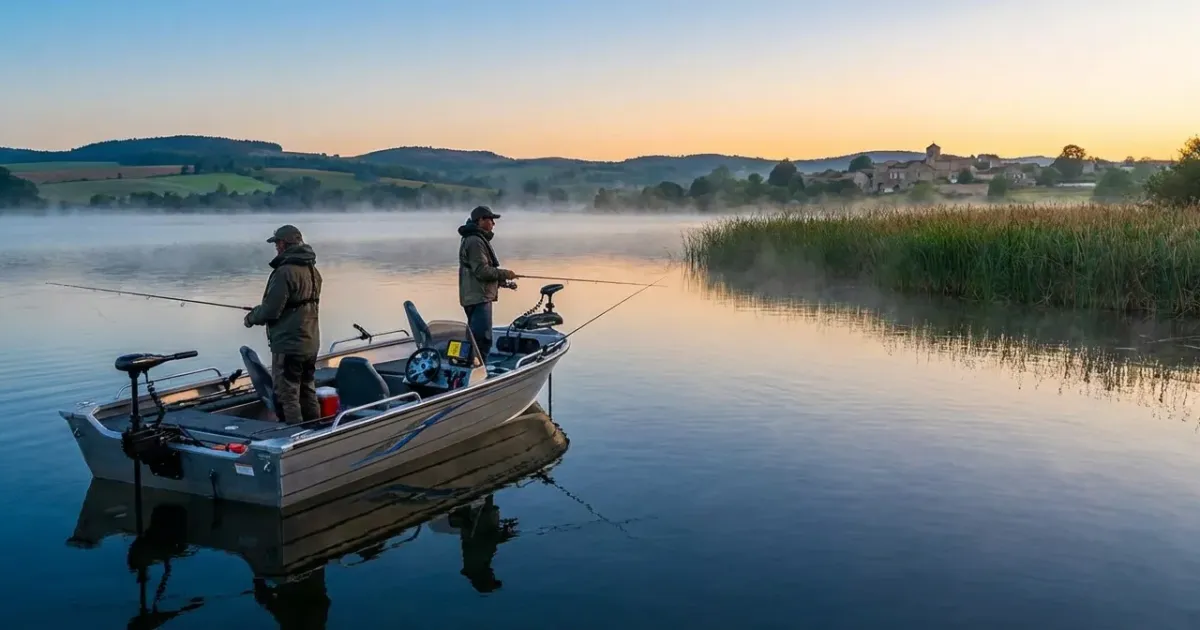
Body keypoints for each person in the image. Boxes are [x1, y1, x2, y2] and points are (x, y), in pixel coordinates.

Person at [244, 224, 323, 425]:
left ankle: (295, 437)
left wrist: (251, 317)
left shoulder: (284, 272)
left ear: (283, 243)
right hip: (310, 342)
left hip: (289, 344)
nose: (276, 248)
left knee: (287, 395)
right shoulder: (313, 271)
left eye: (277, 243)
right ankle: (315, 431)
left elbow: (271, 311)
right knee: (307, 389)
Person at [458, 206, 517, 362]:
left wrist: (503, 282)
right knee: (482, 341)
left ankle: (473, 368)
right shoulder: (475, 241)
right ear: (481, 220)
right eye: (490, 219)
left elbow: (478, 272)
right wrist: (505, 273)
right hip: (479, 298)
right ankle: (478, 375)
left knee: (476, 339)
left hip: (476, 296)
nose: (493, 223)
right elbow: (482, 271)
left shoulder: (473, 238)